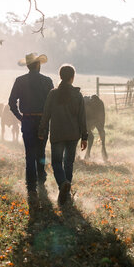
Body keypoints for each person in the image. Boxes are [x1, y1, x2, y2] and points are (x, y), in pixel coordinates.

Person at [8, 52, 54, 208]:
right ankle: (41, 180)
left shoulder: (20, 81)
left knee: (30, 154)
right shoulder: (47, 81)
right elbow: (52, 103)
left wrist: (21, 117)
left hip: (27, 120)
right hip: (42, 120)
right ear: (38, 65)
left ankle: (31, 187)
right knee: (41, 151)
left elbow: (11, 103)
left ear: (28, 66)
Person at [38, 64, 88, 205]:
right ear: (72, 78)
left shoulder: (53, 94)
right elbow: (82, 118)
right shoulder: (78, 95)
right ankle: (65, 193)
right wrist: (84, 137)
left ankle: (62, 184)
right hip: (73, 135)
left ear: (61, 76)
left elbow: (46, 114)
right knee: (68, 163)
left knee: (56, 163)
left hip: (57, 134)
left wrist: (42, 130)